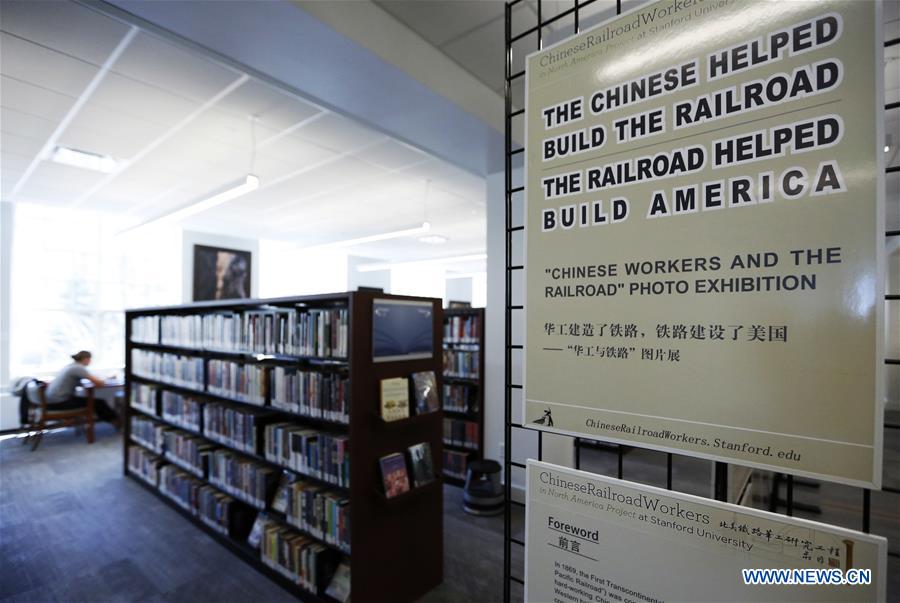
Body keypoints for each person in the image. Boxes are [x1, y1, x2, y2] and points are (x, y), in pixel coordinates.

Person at [43, 351, 116, 422]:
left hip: (52, 401)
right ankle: (117, 423)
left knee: (95, 402)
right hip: (59, 403)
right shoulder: (78, 368)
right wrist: (106, 379)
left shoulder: (71, 366)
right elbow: (99, 384)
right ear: (86, 359)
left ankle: (114, 421)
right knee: (99, 403)